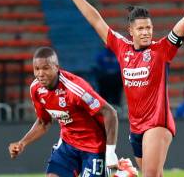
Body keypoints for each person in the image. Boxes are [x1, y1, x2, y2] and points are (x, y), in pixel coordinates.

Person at [54, 0, 184, 176]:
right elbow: (95, 20)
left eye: (149, 27)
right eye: (141, 29)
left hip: (158, 124)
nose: (146, 32)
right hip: (136, 127)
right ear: (131, 31)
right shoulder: (121, 47)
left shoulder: (162, 50)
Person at [8, 47, 119, 177]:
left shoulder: (75, 89)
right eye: (36, 69)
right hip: (68, 145)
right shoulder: (36, 89)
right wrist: (22, 143)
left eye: (45, 68)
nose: (40, 74)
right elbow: (44, 122)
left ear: (56, 67)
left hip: (93, 148)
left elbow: (110, 113)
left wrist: (110, 153)